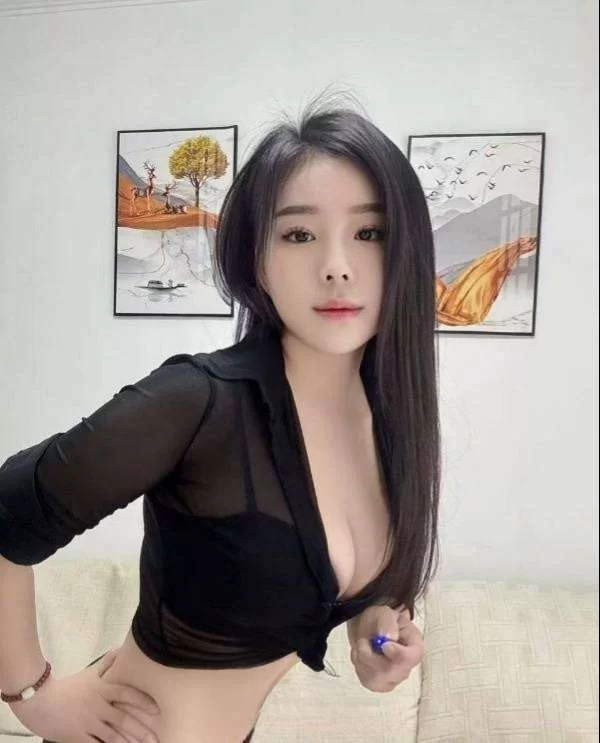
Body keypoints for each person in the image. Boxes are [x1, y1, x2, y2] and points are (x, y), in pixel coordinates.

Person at [0, 91, 440, 743]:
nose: (337, 267)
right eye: (299, 234)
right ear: (258, 260)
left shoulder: (389, 419)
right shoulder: (197, 400)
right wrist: (33, 695)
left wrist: (372, 632)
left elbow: (335, 575)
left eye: (369, 232)